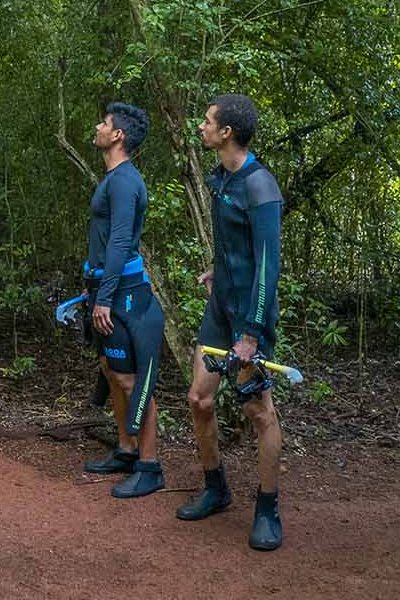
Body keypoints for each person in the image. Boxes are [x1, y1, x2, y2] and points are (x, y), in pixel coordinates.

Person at [178, 93, 285, 550]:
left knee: (258, 411)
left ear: (227, 133)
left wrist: (250, 333)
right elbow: (232, 245)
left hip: (250, 317)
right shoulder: (219, 176)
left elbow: (267, 266)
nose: (200, 127)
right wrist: (219, 269)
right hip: (219, 308)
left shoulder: (261, 187)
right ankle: (216, 488)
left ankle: (267, 507)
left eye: (207, 121)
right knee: (200, 400)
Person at [79, 102, 167, 498]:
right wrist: (92, 288)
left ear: (117, 136)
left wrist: (107, 297)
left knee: (132, 379)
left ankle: (150, 466)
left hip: (127, 296)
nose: (97, 127)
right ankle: (126, 450)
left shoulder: (126, 181)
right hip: (105, 288)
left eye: (104, 123)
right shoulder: (112, 179)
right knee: (112, 371)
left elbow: (119, 241)